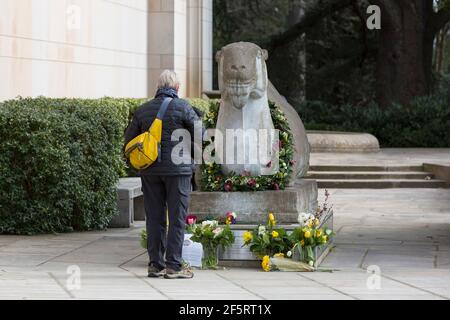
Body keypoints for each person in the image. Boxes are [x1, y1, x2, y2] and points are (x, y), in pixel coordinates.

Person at [124, 70, 200, 279]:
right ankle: (173, 266)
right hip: (178, 171)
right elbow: (201, 136)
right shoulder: (184, 107)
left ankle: (155, 265)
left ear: (158, 87)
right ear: (177, 88)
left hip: (150, 171)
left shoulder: (143, 110)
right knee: (177, 217)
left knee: (154, 217)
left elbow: (128, 142)